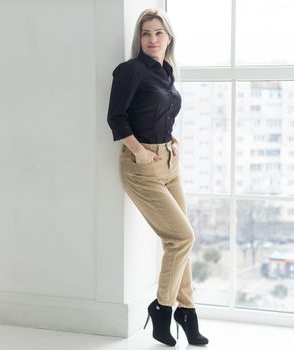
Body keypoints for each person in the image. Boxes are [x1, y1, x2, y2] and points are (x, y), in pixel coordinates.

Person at [107, 8, 208, 347]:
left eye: (158, 33)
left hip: (169, 161)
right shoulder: (130, 71)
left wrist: (172, 141)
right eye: (146, 33)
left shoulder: (166, 72)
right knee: (182, 238)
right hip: (142, 167)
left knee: (180, 243)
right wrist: (138, 150)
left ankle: (187, 312)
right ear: (140, 38)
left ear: (169, 38)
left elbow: (158, 113)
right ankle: (163, 308)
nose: (152, 39)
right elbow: (116, 117)